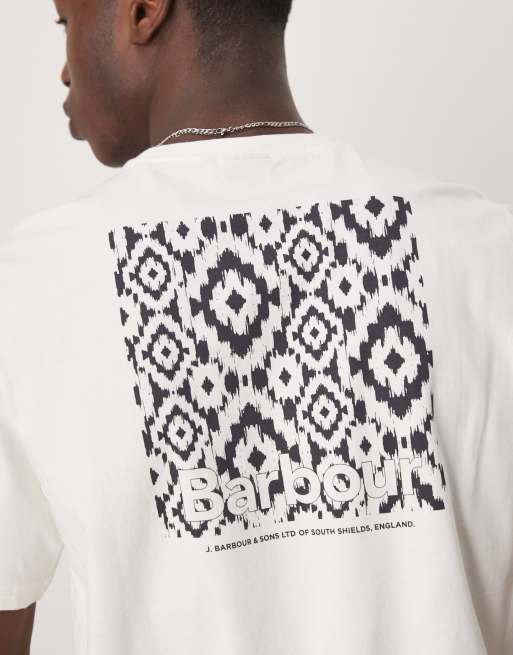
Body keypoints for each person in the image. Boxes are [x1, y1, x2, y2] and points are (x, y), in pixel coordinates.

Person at [0, 0, 511, 654]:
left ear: (144, 11)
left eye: (65, 22)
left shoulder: (35, 284)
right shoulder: (487, 253)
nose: (65, 69)